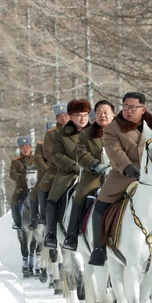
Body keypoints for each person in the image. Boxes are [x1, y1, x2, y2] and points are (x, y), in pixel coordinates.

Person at [88, 91, 152, 266]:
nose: (128, 110)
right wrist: (127, 167)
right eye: (125, 106)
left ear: (143, 109)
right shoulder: (112, 128)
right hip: (123, 174)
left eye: (133, 107)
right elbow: (114, 151)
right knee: (101, 203)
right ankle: (99, 249)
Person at [62, 100, 114, 251]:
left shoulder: (122, 132)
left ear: (113, 115)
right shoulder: (86, 134)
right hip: (94, 176)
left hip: (118, 175)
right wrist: (95, 165)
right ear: (94, 116)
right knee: (80, 195)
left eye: (106, 112)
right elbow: (82, 154)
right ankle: (71, 234)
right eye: (99, 112)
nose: (102, 115)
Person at [44, 99, 91, 248]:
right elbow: (56, 155)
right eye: (78, 115)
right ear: (71, 117)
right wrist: (73, 165)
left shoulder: (97, 131)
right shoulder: (60, 134)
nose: (82, 119)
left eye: (85, 115)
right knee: (52, 199)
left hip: (93, 173)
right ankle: (50, 233)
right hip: (68, 174)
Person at [35, 103, 68, 227]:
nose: (63, 118)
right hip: (56, 168)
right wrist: (61, 162)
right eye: (60, 116)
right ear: (56, 119)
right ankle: (43, 213)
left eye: (65, 115)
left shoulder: (77, 130)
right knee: (43, 185)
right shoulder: (50, 133)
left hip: (76, 166)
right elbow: (48, 152)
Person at [10, 136, 36, 229]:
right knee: (14, 202)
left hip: (35, 186)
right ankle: (17, 222)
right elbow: (12, 174)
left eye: (27, 147)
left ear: (30, 147)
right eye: (23, 148)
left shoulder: (36, 158)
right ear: (20, 149)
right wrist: (22, 177)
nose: (25, 150)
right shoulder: (15, 161)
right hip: (21, 186)